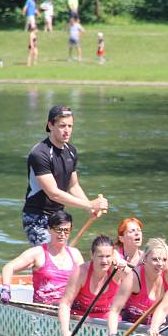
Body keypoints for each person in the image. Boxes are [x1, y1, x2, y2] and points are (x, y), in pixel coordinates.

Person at [22, 105, 109, 246]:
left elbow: (73, 186)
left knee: (62, 260)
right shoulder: (39, 153)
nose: (67, 130)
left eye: (70, 126)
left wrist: (91, 208)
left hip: (59, 217)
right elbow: (54, 194)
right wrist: (88, 203)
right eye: (62, 126)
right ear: (50, 125)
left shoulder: (71, 151)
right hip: (37, 217)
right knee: (51, 257)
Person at [0, 210, 85, 305]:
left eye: (66, 230)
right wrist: (6, 289)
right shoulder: (38, 253)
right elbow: (8, 267)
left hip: (69, 308)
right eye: (58, 230)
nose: (62, 234)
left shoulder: (75, 254)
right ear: (49, 229)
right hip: (43, 309)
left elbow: (86, 280)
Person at [58, 235, 127, 336]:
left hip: (110, 321)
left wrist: (124, 268)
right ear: (92, 255)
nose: (104, 261)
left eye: (107, 256)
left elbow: (136, 284)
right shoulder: (81, 272)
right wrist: (65, 331)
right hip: (82, 319)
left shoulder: (117, 270)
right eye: (100, 256)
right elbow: (65, 303)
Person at [106, 238, 168, 336]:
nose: (160, 264)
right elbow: (114, 310)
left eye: (164, 260)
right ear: (145, 259)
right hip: (132, 326)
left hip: (157, 328)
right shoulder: (133, 278)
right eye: (155, 259)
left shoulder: (167, 273)